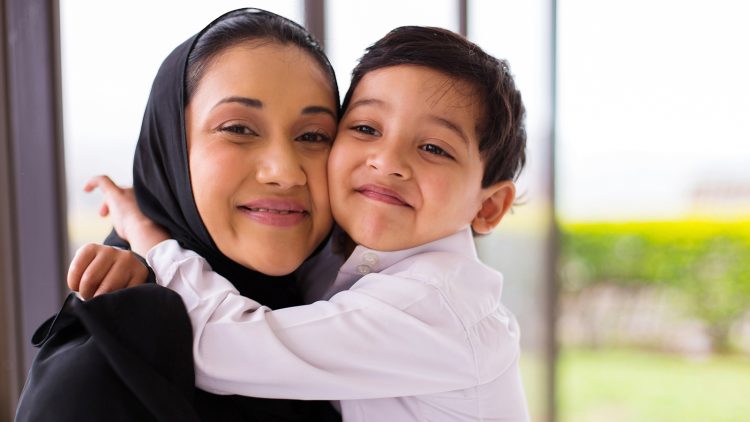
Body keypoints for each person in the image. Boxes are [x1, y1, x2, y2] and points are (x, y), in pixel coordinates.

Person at [72, 26, 531, 421]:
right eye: (367, 129)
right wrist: (144, 273)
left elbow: (224, 347)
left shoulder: (432, 305)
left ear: (488, 207)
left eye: (434, 148)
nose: (387, 162)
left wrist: (150, 237)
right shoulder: (339, 261)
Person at [16, 8, 342, 422]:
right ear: (170, 149)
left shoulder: (358, 314)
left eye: (313, 136)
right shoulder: (107, 362)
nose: (284, 172)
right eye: (238, 128)